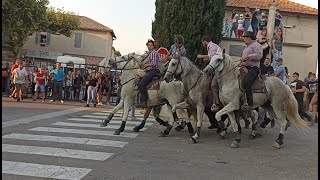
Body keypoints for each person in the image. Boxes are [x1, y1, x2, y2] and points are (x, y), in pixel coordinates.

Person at [240, 31, 263, 110]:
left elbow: (259, 55)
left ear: (249, 38)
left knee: (247, 82)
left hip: (253, 68)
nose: (244, 40)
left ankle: (250, 104)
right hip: (244, 67)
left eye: (245, 38)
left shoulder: (257, 45)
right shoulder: (247, 47)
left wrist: (248, 56)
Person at [197, 36, 221, 111]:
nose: (202, 44)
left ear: (204, 41)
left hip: (217, 69)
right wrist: (206, 58)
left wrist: (201, 56)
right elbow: (211, 58)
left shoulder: (212, 47)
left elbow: (213, 57)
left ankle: (216, 102)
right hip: (215, 67)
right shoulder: (211, 46)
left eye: (202, 42)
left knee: (213, 84)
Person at [138, 39, 161, 108]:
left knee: (142, 84)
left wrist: (147, 65)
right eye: (148, 45)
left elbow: (154, 63)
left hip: (154, 70)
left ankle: (145, 101)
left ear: (153, 46)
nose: (149, 46)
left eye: (151, 45)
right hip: (150, 70)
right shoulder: (150, 53)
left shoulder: (153, 53)